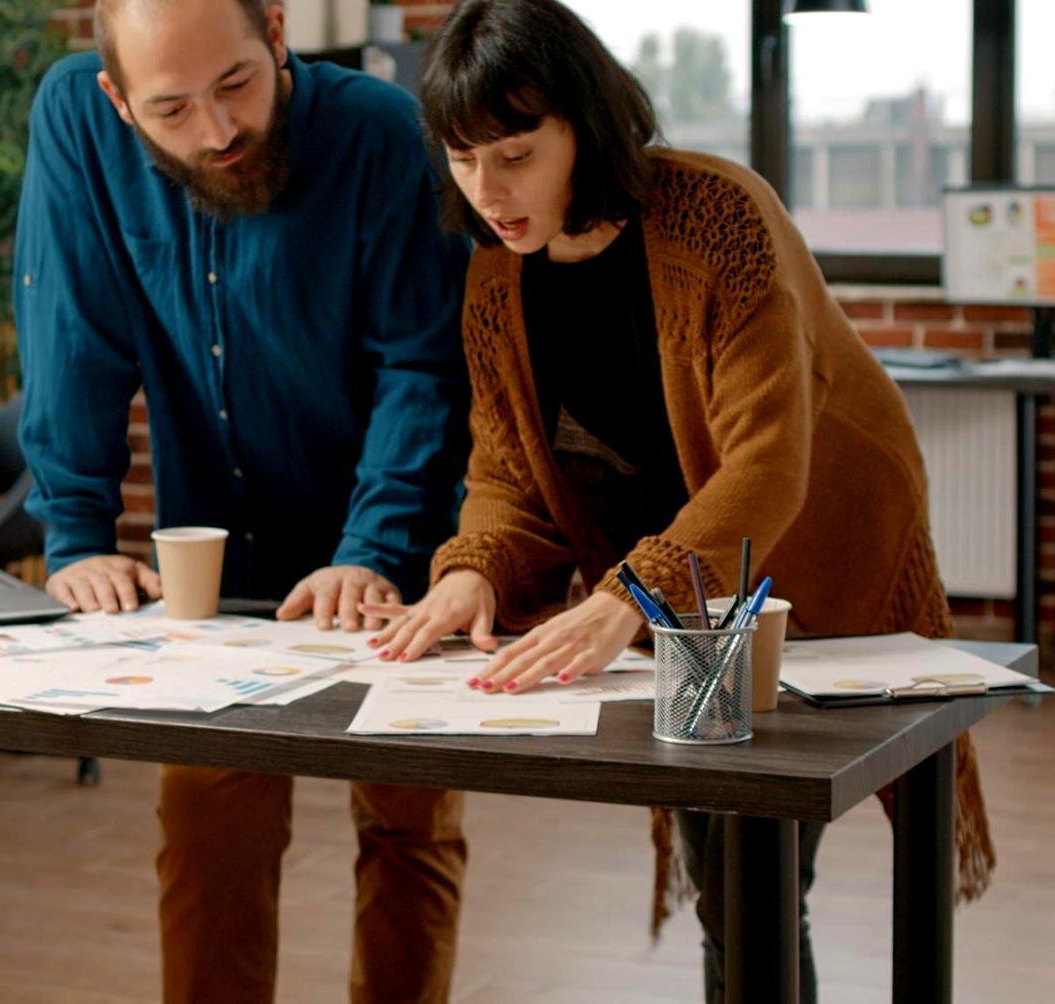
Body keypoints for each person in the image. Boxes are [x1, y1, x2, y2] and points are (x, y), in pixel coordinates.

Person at [368, 1, 995, 999]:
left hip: (812, 540)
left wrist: (632, 594)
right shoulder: (496, 276)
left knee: (756, 857)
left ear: (585, 123)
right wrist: (471, 569)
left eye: (518, 153)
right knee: (730, 868)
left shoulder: (717, 215)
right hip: (680, 575)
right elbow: (507, 479)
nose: (487, 189)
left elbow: (766, 466)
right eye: (461, 155)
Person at [13, 0, 471, 1000]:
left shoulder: (380, 134)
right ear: (118, 100)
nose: (215, 133)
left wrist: (374, 544)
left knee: (409, 826)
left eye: (235, 86)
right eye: (170, 109)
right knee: (209, 828)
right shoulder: (75, 122)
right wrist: (78, 533)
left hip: (391, 566)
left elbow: (424, 367)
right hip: (218, 574)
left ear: (274, 30)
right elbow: (70, 330)